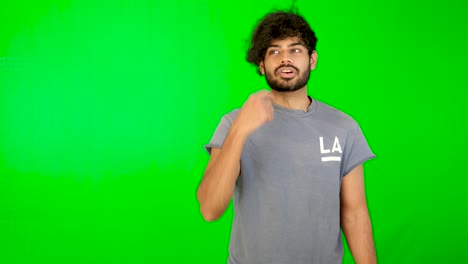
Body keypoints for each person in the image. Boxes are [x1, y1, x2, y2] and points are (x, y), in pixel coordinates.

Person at [197, 10, 377, 264]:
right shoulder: (233, 123)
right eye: (274, 51)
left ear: (312, 59)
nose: (285, 59)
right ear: (261, 65)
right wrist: (240, 130)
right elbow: (210, 209)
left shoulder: (344, 127)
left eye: (295, 50)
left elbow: (355, 212)